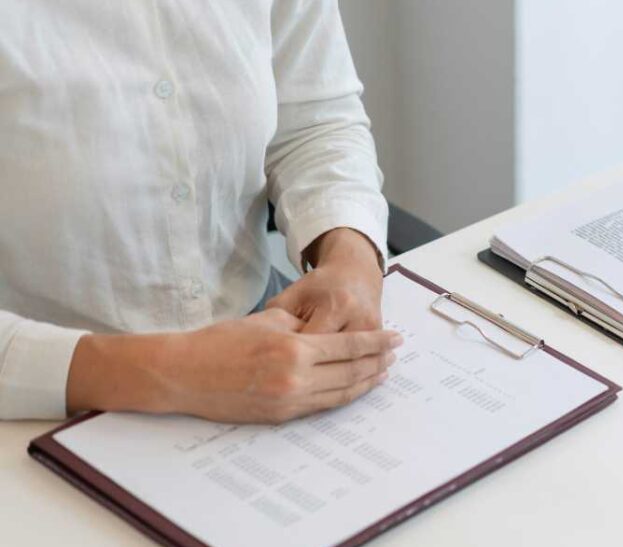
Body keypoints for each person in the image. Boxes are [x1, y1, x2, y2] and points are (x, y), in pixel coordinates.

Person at [0, 0, 401, 422]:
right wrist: (176, 372)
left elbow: (315, 123)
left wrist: (350, 256)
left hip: (267, 339)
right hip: (49, 395)